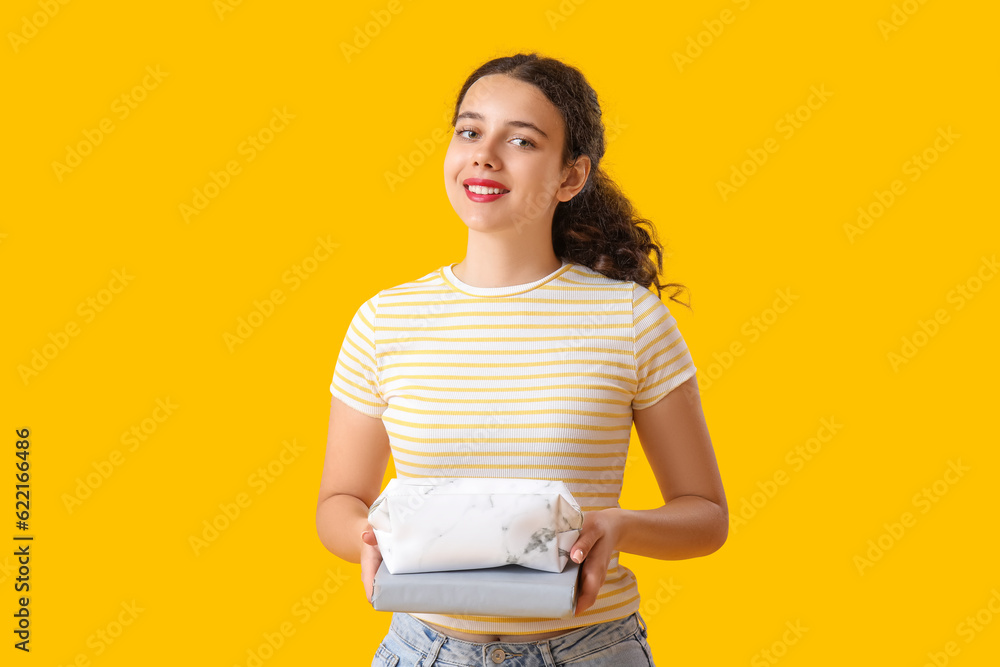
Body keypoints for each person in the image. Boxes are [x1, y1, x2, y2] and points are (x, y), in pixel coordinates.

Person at [316, 51, 728, 667]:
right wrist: (368, 538)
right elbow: (338, 502)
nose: (485, 154)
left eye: (523, 141)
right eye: (470, 131)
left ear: (571, 177)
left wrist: (617, 527)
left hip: (589, 650)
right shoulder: (384, 321)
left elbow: (705, 516)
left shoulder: (631, 321)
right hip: (425, 651)